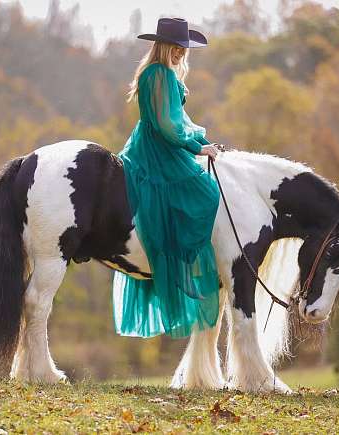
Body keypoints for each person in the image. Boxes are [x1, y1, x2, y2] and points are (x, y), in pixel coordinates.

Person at [113, 17, 222, 338]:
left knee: (194, 194)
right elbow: (165, 124)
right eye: (175, 48)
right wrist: (195, 148)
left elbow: (180, 119)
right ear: (162, 46)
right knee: (205, 194)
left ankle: (181, 263)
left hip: (164, 142)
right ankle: (183, 266)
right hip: (158, 148)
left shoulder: (163, 73)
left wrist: (202, 141)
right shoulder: (157, 73)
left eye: (183, 49)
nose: (179, 54)